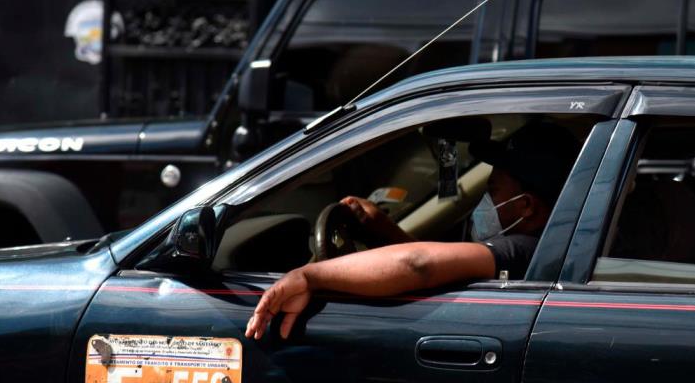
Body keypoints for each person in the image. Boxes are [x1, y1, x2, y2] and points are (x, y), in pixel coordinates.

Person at [245, 121, 577, 340]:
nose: (485, 200)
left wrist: (309, 276)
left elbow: (417, 265)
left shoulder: (524, 250)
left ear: (526, 206)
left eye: (492, 189)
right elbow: (436, 263)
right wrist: (383, 230)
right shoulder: (554, 247)